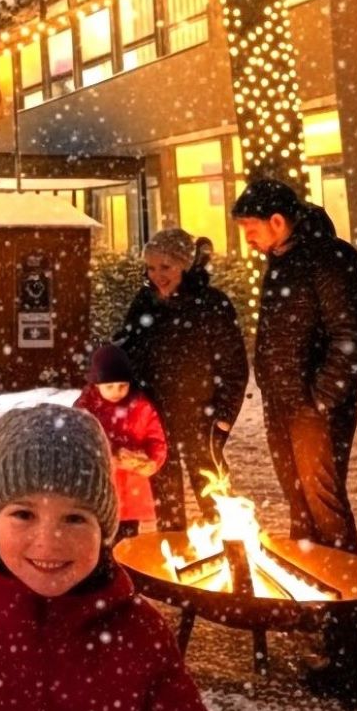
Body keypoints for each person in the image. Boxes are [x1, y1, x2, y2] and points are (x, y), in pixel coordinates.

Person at [0, 404, 208, 711]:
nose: (49, 541)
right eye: (24, 514)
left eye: (75, 518)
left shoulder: (140, 631)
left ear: (103, 531)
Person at [232, 178, 357, 701]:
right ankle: (313, 617)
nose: (248, 239)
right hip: (286, 408)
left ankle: (345, 640)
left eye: (251, 228)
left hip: (315, 414)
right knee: (302, 511)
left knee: (326, 512)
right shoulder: (283, 261)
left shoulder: (330, 260)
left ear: (278, 221)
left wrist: (319, 400)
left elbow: (351, 337)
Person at [113, 227, 247, 531]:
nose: (157, 275)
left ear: (184, 265)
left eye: (166, 267)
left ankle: (230, 549)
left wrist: (224, 416)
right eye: (151, 268)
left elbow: (233, 366)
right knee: (167, 499)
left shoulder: (211, 304)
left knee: (214, 493)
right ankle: (174, 550)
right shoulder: (145, 302)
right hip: (156, 418)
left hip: (202, 418)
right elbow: (128, 348)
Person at [73, 345, 167, 540]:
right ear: (96, 385)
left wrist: (151, 461)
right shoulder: (86, 410)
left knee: (127, 543)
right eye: (109, 387)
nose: (117, 391)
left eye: (122, 385)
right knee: (97, 540)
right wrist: (107, 456)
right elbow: (77, 441)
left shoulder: (141, 407)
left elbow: (156, 440)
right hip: (98, 490)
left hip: (131, 492)